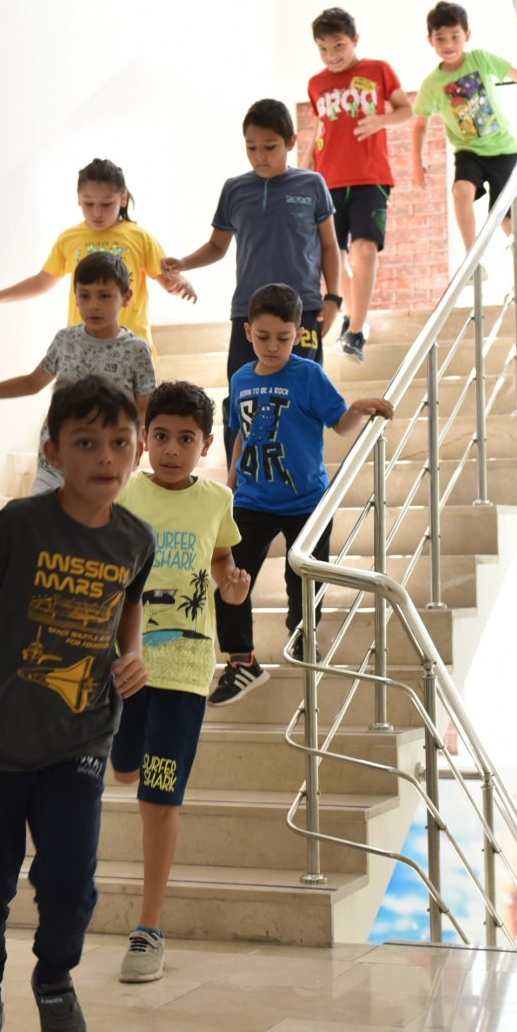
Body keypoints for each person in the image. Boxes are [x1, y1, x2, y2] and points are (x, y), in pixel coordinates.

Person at [0, 374, 156, 1032]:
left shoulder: (136, 538)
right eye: (86, 442)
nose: (105, 457)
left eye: (119, 442)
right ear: (53, 451)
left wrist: (132, 652)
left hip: (80, 735)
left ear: (137, 450)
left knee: (70, 880)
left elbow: (129, 601)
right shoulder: (18, 525)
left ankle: (54, 979)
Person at [108, 380, 252, 983]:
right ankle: (130, 759)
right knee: (124, 769)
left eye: (186, 439)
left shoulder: (217, 500)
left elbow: (220, 558)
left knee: (157, 799)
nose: (172, 449)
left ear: (205, 445)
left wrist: (230, 587)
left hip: (185, 676)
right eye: (161, 436)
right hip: (124, 670)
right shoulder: (123, 493)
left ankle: (149, 930)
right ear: (144, 440)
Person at [210, 283, 393, 706]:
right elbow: (241, 436)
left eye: (284, 337)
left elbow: (339, 424)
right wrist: (230, 485)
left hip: (306, 502)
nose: (273, 346)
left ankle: (302, 634)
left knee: (305, 579)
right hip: (251, 501)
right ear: (248, 332)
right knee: (230, 579)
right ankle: (241, 660)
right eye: (263, 336)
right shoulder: (241, 378)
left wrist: (359, 408)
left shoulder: (308, 375)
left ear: (299, 334)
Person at [162, 99, 342, 461]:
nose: (260, 156)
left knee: (300, 394)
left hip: (302, 311)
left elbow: (329, 245)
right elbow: (217, 246)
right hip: (248, 312)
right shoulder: (235, 190)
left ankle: (300, 474)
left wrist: (333, 297)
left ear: (291, 142)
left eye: (270, 147)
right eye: (251, 147)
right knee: (243, 395)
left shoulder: (312, 184)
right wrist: (183, 262)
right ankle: (241, 479)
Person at [0, 251, 156, 494]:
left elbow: (144, 405)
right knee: (42, 518)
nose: (93, 305)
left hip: (107, 466)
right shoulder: (65, 340)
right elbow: (31, 383)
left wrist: (135, 443)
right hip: (56, 463)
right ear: (76, 298)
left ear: (126, 297)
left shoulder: (136, 349)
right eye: (84, 295)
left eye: (104, 296)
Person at [0, 158, 196, 350]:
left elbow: (168, 280)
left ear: (123, 199)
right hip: (83, 346)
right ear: (78, 200)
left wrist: (181, 284)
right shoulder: (69, 239)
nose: (97, 212)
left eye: (106, 204)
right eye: (88, 203)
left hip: (130, 345)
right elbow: (41, 282)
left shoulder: (140, 237)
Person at [301, 7, 414, 364]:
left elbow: (406, 110)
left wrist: (380, 120)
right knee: (336, 257)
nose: (331, 55)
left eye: (339, 46)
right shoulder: (316, 83)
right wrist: (308, 157)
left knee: (364, 250)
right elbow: (322, 126)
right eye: (323, 48)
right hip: (328, 181)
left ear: (355, 40)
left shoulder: (378, 70)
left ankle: (356, 331)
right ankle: (352, 316)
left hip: (370, 178)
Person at [410, 1, 517, 277]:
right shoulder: (432, 84)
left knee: (505, 218)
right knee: (461, 191)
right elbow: (420, 125)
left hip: (503, 149)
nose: (448, 44)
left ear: (467, 35)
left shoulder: (480, 59)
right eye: (440, 38)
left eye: (455, 36)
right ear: (430, 40)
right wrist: (417, 161)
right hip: (469, 151)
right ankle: (473, 258)